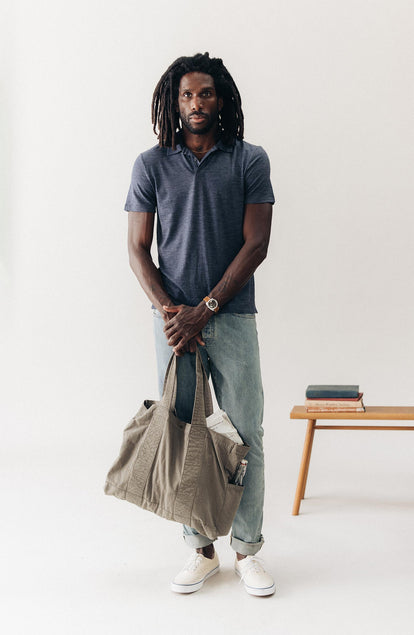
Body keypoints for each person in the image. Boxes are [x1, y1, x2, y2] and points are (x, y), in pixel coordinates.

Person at [125, 52, 276, 596]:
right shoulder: (150, 164)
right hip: (175, 326)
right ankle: (201, 550)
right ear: (174, 101)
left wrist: (205, 310)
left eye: (205, 94)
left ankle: (249, 550)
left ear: (222, 99)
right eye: (187, 95)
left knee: (245, 435)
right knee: (184, 433)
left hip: (231, 319)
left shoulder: (248, 159)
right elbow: (138, 249)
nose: (195, 103)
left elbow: (256, 244)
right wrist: (173, 313)